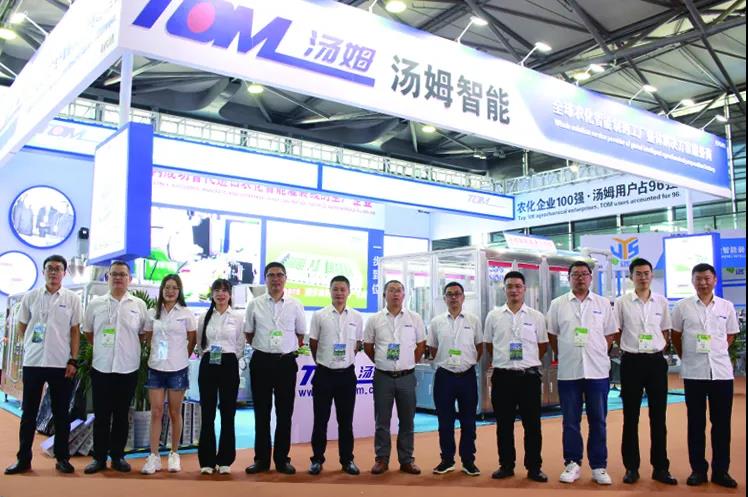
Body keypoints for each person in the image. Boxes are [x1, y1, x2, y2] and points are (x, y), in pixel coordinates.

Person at [5, 255, 81, 475]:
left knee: (61, 414)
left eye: (58, 269)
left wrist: (73, 359)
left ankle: (62, 458)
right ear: (43, 271)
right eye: (50, 268)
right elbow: (22, 326)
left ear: (64, 273)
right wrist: (31, 345)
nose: (53, 272)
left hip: (60, 363)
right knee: (28, 412)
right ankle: (23, 459)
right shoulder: (31, 297)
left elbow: (75, 331)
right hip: (34, 362)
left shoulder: (72, 299)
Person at [547, 261, 617, 485]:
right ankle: (572, 463)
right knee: (570, 421)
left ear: (590, 277)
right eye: (575, 274)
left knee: (598, 420)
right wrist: (566, 353)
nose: (580, 278)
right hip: (569, 371)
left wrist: (596, 351)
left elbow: (609, 335)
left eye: (584, 274)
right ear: (568, 278)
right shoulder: (558, 304)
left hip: (597, 371)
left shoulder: (603, 304)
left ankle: (598, 466)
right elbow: (552, 335)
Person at [671, 263, 740, 489]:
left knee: (721, 425)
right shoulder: (682, 307)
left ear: (715, 280)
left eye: (707, 278)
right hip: (694, 373)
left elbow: (730, 335)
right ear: (692, 281)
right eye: (698, 279)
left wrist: (716, 351)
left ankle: (721, 471)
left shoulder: (726, 306)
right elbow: (676, 336)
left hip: (721, 373)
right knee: (696, 424)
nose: (703, 283)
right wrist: (688, 356)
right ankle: (698, 470)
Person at [614, 258, 677, 485]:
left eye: (646, 273)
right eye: (638, 273)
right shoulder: (621, 302)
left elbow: (666, 332)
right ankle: (631, 467)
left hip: (656, 362)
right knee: (630, 417)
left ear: (651, 275)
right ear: (631, 277)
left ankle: (660, 468)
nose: (643, 277)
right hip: (631, 362)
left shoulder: (661, 301)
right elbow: (617, 331)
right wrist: (631, 347)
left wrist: (654, 349)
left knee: (658, 418)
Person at [82, 260, 148, 474]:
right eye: (114, 274)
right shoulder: (95, 304)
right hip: (101, 367)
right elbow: (89, 333)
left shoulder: (139, 305)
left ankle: (118, 457)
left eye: (122, 274)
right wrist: (104, 348)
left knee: (121, 416)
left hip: (128, 368)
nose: (118, 278)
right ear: (107, 277)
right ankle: (99, 458)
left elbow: (142, 334)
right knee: (101, 416)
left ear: (130, 279)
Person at [484, 271, 548, 482]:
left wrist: (525, 362)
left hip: (529, 377)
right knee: (504, 425)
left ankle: (534, 467)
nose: (514, 290)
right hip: (503, 377)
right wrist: (506, 362)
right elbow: (489, 345)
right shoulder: (493, 316)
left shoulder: (536, 316)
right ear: (504, 289)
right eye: (510, 286)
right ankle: (506, 465)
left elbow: (542, 346)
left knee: (533, 425)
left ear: (524, 289)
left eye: (518, 286)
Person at [244, 262, 306, 475]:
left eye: (280, 275)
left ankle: (282, 459)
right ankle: (261, 460)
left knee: (284, 413)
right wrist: (264, 347)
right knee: (261, 413)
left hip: (285, 363)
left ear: (285, 279)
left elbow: (300, 333)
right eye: (271, 275)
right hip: (261, 361)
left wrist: (284, 348)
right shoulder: (255, 304)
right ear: (265, 279)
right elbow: (249, 333)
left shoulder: (295, 305)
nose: (276, 279)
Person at [364, 280, 426, 475]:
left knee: (407, 420)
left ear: (404, 295)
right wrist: (382, 362)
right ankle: (381, 459)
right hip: (383, 377)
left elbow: (421, 345)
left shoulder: (414, 318)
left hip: (407, 377)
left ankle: (406, 460)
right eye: (391, 290)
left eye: (399, 290)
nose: (395, 294)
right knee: (382, 421)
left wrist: (409, 362)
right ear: (385, 295)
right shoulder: (374, 319)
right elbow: (368, 346)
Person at [140, 274, 197, 475]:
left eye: (174, 287)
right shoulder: (152, 313)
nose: (170, 291)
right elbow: (147, 337)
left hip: (177, 368)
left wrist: (181, 356)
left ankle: (174, 453)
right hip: (156, 367)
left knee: (174, 412)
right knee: (156, 411)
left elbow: (192, 339)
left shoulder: (186, 313)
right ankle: (153, 456)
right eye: (167, 287)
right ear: (162, 290)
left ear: (179, 291)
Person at [308, 275, 363, 476]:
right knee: (320, 420)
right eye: (335, 289)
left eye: (342, 289)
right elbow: (313, 344)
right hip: (324, 374)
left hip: (347, 375)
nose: (339, 293)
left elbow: (357, 345)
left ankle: (347, 460)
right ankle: (317, 459)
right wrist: (323, 361)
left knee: (346, 421)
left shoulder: (357, 317)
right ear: (330, 291)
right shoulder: (319, 315)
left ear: (348, 292)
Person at [428, 282, 482, 477]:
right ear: (444, 298)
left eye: (457, 294)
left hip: (467, 376)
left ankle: (468, 461)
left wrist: (467, 362)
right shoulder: (436, 322)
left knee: (469, 421)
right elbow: (433, 348)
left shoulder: (473, 320)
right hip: (444, 376)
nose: (453, 297)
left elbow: (479, 346)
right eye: (449, 294)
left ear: (463, 297)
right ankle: (447, 459)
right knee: (445, 421)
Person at [196, 279, 245, 475]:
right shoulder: (204, 317)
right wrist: (209, 356)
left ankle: (225, 459)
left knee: (228, 412)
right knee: (207, 413)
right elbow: (200, 344)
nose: (220, 294)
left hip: (229, 363)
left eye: (224, 290)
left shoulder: (238, 317)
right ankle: (207, 460)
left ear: (230, 294)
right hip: (208, 364)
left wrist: (230, 358)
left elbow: (240, 344)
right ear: (212, 294)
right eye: (217, 290)